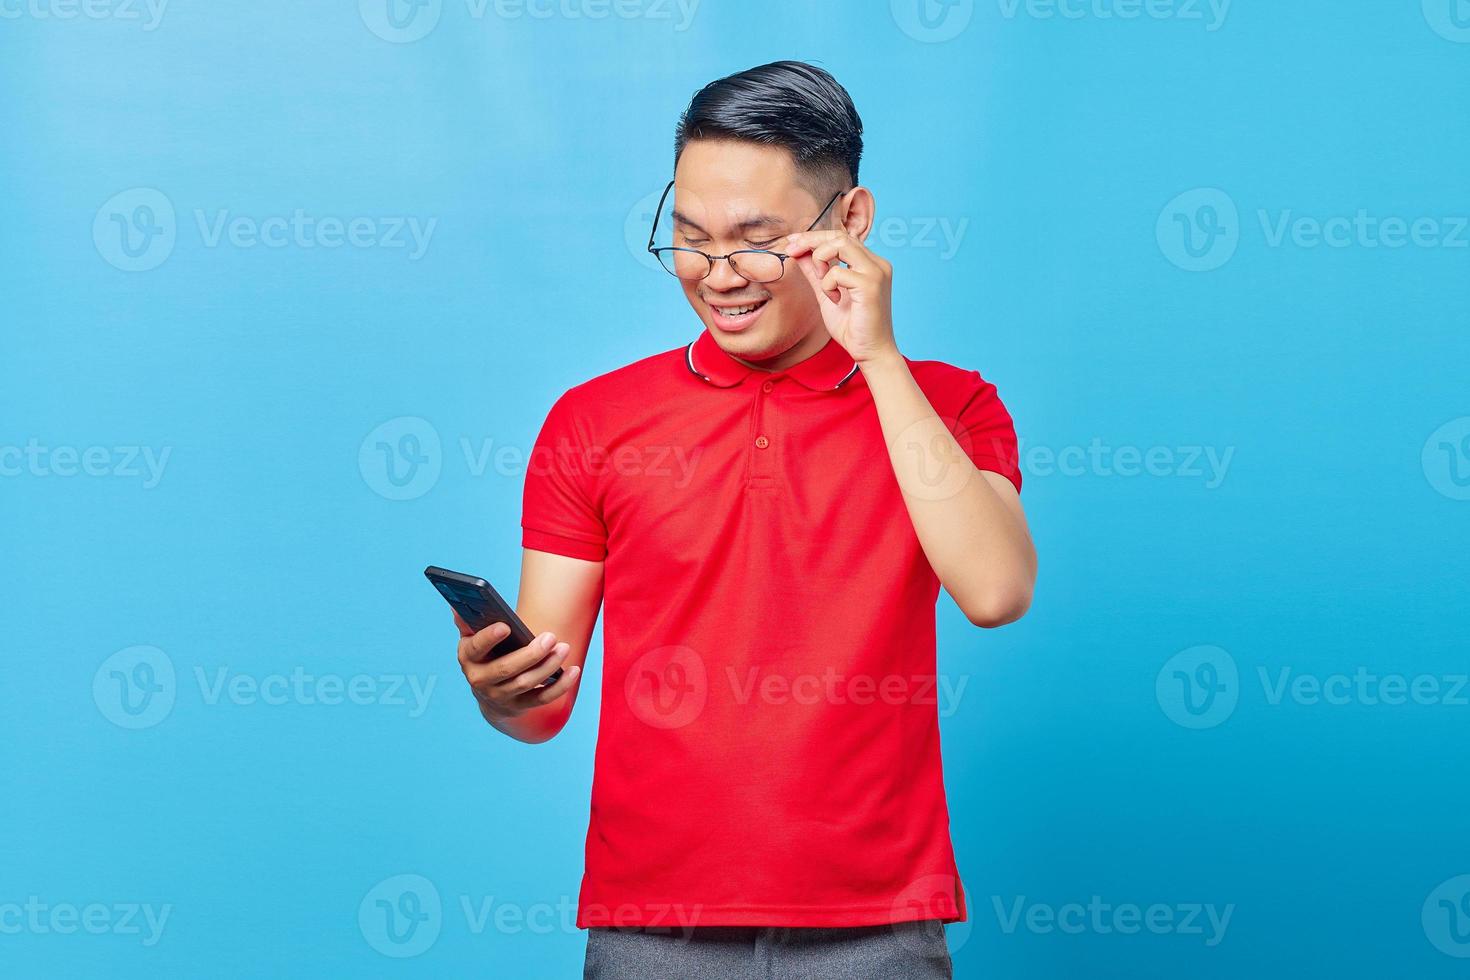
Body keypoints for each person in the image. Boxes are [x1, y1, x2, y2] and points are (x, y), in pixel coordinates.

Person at [452, 60, 1037, 979]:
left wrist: (878, 357)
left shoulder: (948, 407)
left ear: (850, 223)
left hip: (875, 924)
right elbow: (543, 708)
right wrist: (502, 690)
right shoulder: (593, 422)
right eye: (689, 238)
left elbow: (998, 590)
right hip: (651, 923)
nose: (717, 275)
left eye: (755, 241)